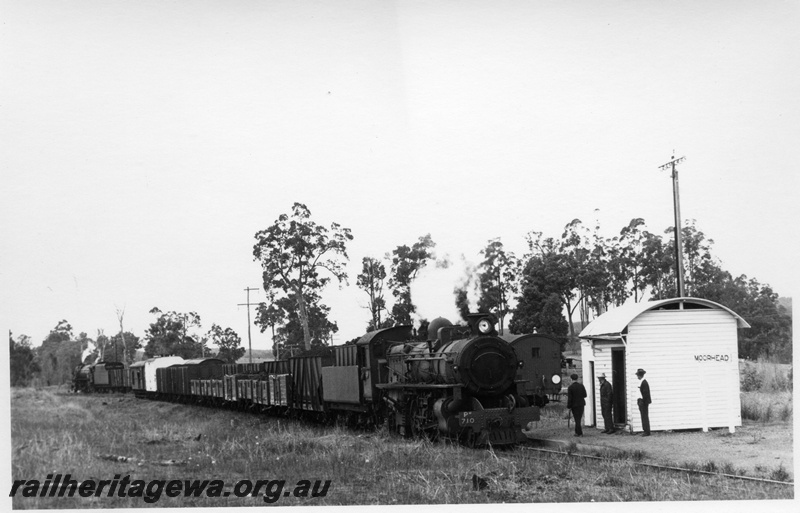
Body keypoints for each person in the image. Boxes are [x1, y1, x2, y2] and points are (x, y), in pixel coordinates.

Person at [636, 368, 651, 436]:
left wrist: (644, 402)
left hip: (643, 401)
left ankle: (646, 431)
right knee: (643, 416)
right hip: (641, 401)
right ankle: (645, 430)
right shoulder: (641, 382)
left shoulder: (644, 382)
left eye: (638, 375)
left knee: (644, 416)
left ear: (640, 375)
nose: (637, 376)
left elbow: (645, 394)